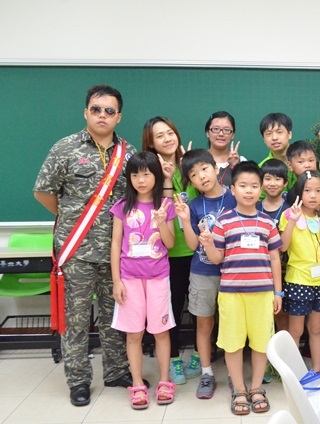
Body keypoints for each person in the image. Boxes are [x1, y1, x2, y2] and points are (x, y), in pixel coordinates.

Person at [34, 85, 138, 407]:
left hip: (116, 251)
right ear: (86, 112)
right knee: (76, 320)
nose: (102, 115)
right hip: (76, 250)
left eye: (109, 111)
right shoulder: (65, 148)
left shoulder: (129, 154)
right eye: (96, 109)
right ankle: (78, 380)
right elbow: (43, 192)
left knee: (114, 315)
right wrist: (72, 218)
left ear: (119, 116)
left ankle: (116, 371)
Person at [199, 161, 282, 416]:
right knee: (233, 344)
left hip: (263, 294)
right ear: (232, 189)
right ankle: (239, 389)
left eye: (254, 186)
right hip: (232, 294)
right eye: (243, 186)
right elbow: (217, 258)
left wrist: (278, 292)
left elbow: (275, 258)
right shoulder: (223, 221)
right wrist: (208, 243)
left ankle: (256, 388)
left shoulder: (268, 222)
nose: (249, 191)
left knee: (261, 343)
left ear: (261, 190)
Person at [110, 152, 177, 409]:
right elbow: (116, 244)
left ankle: (165, 381)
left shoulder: (165, 205)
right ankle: (137, 384)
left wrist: (161, 223)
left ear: (156, 176)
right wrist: (116, 281)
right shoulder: (122, 207)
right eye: (135, 174)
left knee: (161, 331)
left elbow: (170, 244)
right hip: (129, 278)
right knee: (134, 333)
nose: (141, 180)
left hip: (158, 277)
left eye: (147, 174)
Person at [173, 149, 237, 399]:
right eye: (193, 174)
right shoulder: (193, 206)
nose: (201, 176)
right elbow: (191, 245)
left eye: (204, 169)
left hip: (233, 272)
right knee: (204, 323)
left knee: (232, 323)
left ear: (216, 169)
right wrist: (185, 219)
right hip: (202, 272)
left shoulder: (234, 196)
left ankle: (233, 373)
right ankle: (207, 373)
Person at [142, 116, 200, 384]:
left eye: (170, 132)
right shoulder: (148, 171)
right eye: (160, 136)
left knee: (201, 308)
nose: (167, 139)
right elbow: (163, 209)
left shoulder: (190, 164)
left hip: (197, 249)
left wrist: (190, 170)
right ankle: (174, 358)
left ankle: (200, 354)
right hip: (169, 253)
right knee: (173, 308)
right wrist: (166, 177)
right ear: (151, 143)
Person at [284, 140, 320, 375]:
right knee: (296, 331)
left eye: (318, 191)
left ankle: (317, 372)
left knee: (316, 329)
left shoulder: (319, 218)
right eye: (307, 191)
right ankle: (295, 373)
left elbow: (317, 246)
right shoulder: (289, 215)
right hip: (299, 281)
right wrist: (291, 221)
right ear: (299, 193)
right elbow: (282, 246)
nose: (313, 195)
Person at [257, 158, 290, 336]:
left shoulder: (290, 210)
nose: (272, 183)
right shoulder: (254, 207)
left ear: (285, 183)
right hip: (259, 269)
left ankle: (282, 348)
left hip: (284, 269)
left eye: (278, 179)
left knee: (281, 313)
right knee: (261, 314)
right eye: (268, 178)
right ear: (261, 183)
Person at [258, 113, 297, 193]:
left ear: (289, 134)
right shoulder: (261, 168)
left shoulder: (306, 160)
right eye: (268, 134)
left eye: (279, 132)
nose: (274, 138)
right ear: (264, 139)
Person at [205, 111, 246, 187]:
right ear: (207, 132)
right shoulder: (198, 160)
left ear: (233, 135)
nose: (221, 134)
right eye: (216, 129)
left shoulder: (242, 162)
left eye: (226, 130)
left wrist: (236, 167)